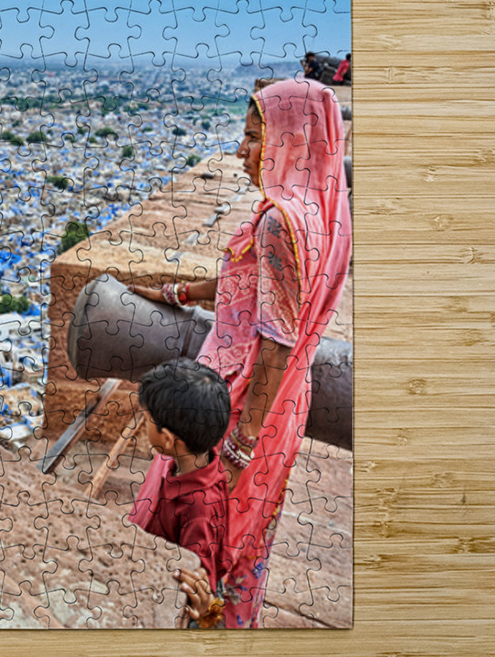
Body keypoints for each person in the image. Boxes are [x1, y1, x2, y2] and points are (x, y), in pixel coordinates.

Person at [128, 77, 352, 627]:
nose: (241, 151)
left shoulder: (279, 221)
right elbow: (258, 288)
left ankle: (175, 616)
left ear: (291, 142)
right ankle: (228, 622)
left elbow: (274, 342)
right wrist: (180, 293)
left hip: (239, 399)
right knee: (246, 530)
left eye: (254, 138)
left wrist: (240, 445)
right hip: (284, 402)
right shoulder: (322, 211)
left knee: (199, 516)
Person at [127, 358, 230, 594]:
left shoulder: (200, 509)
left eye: (147, 420)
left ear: (168, 439)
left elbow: (198, 580)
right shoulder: (195, 459)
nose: (144, 425)